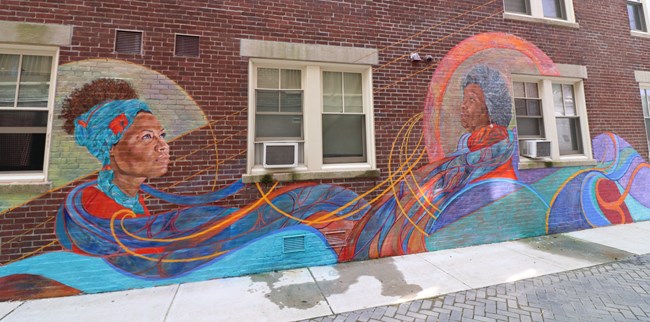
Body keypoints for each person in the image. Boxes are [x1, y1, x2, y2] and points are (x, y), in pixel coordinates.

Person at [56, 94, 368, 279]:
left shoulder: (131, 200)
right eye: (147, 137)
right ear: (111, 148)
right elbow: (144, 253)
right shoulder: (92, 206)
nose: (163, 146)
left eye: (162, 135)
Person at [339, 65, 517, 261]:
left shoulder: (493, 143)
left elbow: (468, 181)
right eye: (464, 99)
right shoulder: (471, 142)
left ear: (489, 110)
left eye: (472, 100)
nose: (463, 106)